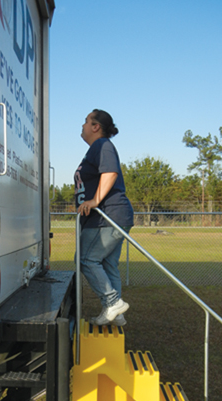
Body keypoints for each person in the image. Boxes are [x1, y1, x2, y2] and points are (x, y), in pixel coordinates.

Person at [74, 109, 134, 326]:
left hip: (108, 217)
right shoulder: (96, 149)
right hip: (109, 218)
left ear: (95, 126)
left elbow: (110, 172)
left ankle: (113, 303)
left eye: (85, 121)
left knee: (85, 258)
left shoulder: (102, 145)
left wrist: (94, 200)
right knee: (108, 264)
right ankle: (116, 315)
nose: (82, 125)